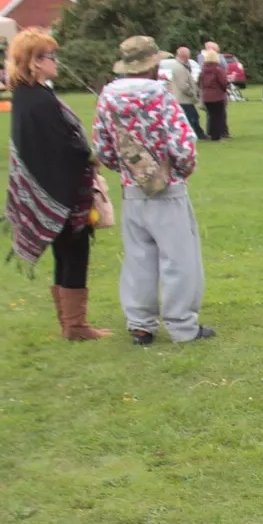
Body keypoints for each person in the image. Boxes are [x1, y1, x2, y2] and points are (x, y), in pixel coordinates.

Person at [93, 35, 213, 344]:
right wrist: (181, 171)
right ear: (152, 63)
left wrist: (127, 171)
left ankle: (141, 324)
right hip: (167, 187)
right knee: (179, 259)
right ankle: (182, 325)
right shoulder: (160, 95)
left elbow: (102, 148)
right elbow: (182, 143)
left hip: (133, 189)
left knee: (138, 258)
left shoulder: (107, 97)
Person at [1, 29, 111, 340]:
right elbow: (61, 146)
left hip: (51, 189)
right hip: (61, 192)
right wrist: (90, 157)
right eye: (50, 56)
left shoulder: (26, 96)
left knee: (64, 254)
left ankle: (70, 324)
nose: (55, 62)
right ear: (34, 62)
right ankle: (75, 326)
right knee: (74, 254)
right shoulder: (37, 100)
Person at [168, 46, 202, 135]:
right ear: (184, 56)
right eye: (188, 55)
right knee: (192, 117)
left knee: (193, 116)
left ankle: (197, 134)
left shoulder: (183, 66)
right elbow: (183, 85)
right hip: (183, 99)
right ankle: (194, 134)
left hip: (184, 98)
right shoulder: (179, 67)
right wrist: (192, 92)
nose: (189, 57)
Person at [198, 49, 230, 141]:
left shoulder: (203, 70)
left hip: (206, 96)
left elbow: (199, 82)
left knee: (211, 116)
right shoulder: (218, 70)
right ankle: (217, 136)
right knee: (219, 116)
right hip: (217, 96)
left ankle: (211, 134)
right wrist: (225, 90)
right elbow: (223, 82)